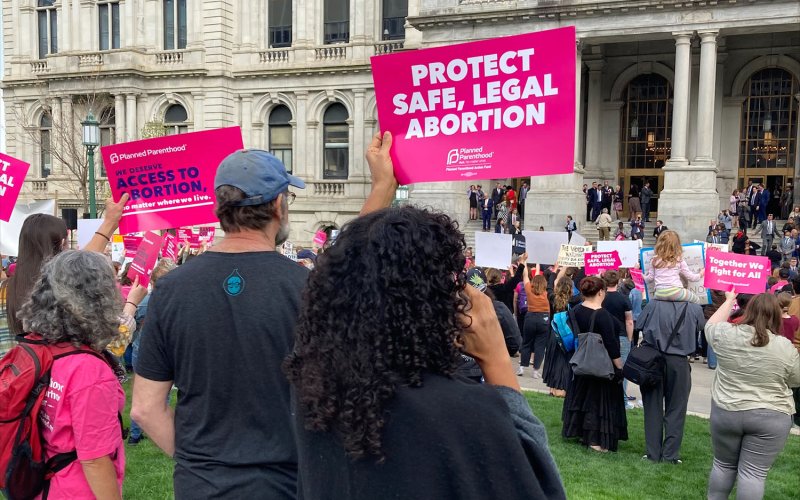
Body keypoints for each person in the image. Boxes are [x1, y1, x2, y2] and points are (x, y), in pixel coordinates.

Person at [285, 212, 566, 498]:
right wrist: (497, 360)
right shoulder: (465, 412)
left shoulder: (315, 389)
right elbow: (539, 486)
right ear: (434, 298)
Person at [131, 148, 311, 498]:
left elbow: (145, 408)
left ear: (221, 209)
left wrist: (199, 465)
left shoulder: (171, 288)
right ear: (278, 206)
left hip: (202, 485)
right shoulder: (308, 288)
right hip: (286, 483)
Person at [18, 251, 129, 499]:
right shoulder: (89, 370)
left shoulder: (40, 345)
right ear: (99, 298)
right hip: (76, 489)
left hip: (43, 480)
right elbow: (95, 460)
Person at [705, 292, 800, 500]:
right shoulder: (784, 347)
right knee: (753, 473)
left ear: (748, 310)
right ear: (775, 315)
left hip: (727, 410)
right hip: (771, 415)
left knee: (723, 465)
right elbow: (796, 380)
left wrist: (729, 300)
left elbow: (710, 326)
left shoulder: (726, 333)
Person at [636, 297, 706, 463]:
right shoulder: (694, 307)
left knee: (652, 406)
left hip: (653, 359)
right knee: (676, 408)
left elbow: (639, 324)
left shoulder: (653, 304)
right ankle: (670, 455)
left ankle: (653, 453)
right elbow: (702, 327)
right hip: (679, 361)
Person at [561, 276, 627, 452]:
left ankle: (582, 432)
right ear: (600, 292)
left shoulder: (575, 310)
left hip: (580, 360)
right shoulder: (602, 315)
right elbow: (612, 345)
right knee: (597, 403)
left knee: (583, 397)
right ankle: (595, 440)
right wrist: (619, 366)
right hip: (600, 364)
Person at [601, 270, 635, 409]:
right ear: (618, 281)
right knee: (622, 369)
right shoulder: (623, 299)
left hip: (602, 335)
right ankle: (622, 400)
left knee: (603, 367)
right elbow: (629, 321)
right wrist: (630, 337)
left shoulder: (600, 297)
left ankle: (603, 398)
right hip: (621, 336)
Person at [644, 230, 704, 303]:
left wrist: (642, 276)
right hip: (676, 292)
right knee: (697, 300)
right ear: (677, 245)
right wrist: (701, 273)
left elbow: (649, 279)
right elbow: (691, 278)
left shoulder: (654, 259)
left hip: (659, 293)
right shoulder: (679, 259)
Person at [543, 271, 577, 398]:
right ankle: (562, 388)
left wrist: (555, 271)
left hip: (553, 333)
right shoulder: (573, 301)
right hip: (566, 335)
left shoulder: (552, 298)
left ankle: (552, 388)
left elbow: (549, 286)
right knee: (563, 362)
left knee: (552, 359)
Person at [520, 270, 550, 379]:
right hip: (544, 319)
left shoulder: (529, 289)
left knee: (526, 343)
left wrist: (524, 262)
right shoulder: (547, 293)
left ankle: (522, 367)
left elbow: (525, 276)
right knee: (540, 346)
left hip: (530, 317)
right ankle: (535, 371)